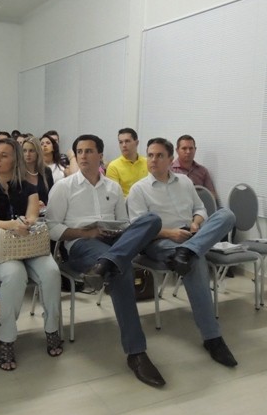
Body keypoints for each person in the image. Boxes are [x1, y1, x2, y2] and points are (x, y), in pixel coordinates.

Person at [45, 134, 165, 387]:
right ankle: (136, 353)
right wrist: (86, 232)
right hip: (80, 245)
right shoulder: (64, 187)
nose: (83, 156)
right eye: (79, 151)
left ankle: (106, 263)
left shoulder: (112, 187)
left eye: (89, 151)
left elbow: (124, 223)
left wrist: (114, 231)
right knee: (122, 269)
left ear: (100, 156)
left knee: (152, 220)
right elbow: (52, 227)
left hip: (112, 242)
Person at [127, 137, 238, 367]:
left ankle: (188, 251)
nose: (153, 160)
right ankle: (213, 338)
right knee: (195, 262)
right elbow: (138, 228)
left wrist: (196, 223)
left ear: (170, 159)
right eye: (150, 155)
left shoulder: (185, 182)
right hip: (159, 241)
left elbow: (200, 208)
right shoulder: (139, 189)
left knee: (227, 215)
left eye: (159, 155)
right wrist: (170, 233)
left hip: (190, 236)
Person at [0, 138, 63, 370]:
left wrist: (26, 222)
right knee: (14, 273)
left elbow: (32, 216)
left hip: (27, 247)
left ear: (16, 161)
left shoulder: (28, 188)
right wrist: (15, 224)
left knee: (52, 271)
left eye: (4, 155)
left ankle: (52, 328)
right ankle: (7, 338)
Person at [171, 134, 219, 203]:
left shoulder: (202, 171)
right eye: (184, 148)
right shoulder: (169, 170)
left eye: (191, 148)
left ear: (195, 149)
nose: (188, 151)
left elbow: (212, 195)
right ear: (177, 150)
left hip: (200, 206)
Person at [106, 128, 148, 196]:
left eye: (127, 141)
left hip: (147, 200)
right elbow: (113, 195)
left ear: (137, 143)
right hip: (125, 202)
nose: (124, 145)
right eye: (121, 142)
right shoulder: (113, 166)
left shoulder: (148, 163)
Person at [22, 135, 54, 208]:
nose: (27, 154)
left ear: (38, 152)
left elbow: (51, 197)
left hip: (43, 212)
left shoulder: (46, 171)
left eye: (31, 151)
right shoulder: (17, 172)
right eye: (24, 151)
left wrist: (44, 204)